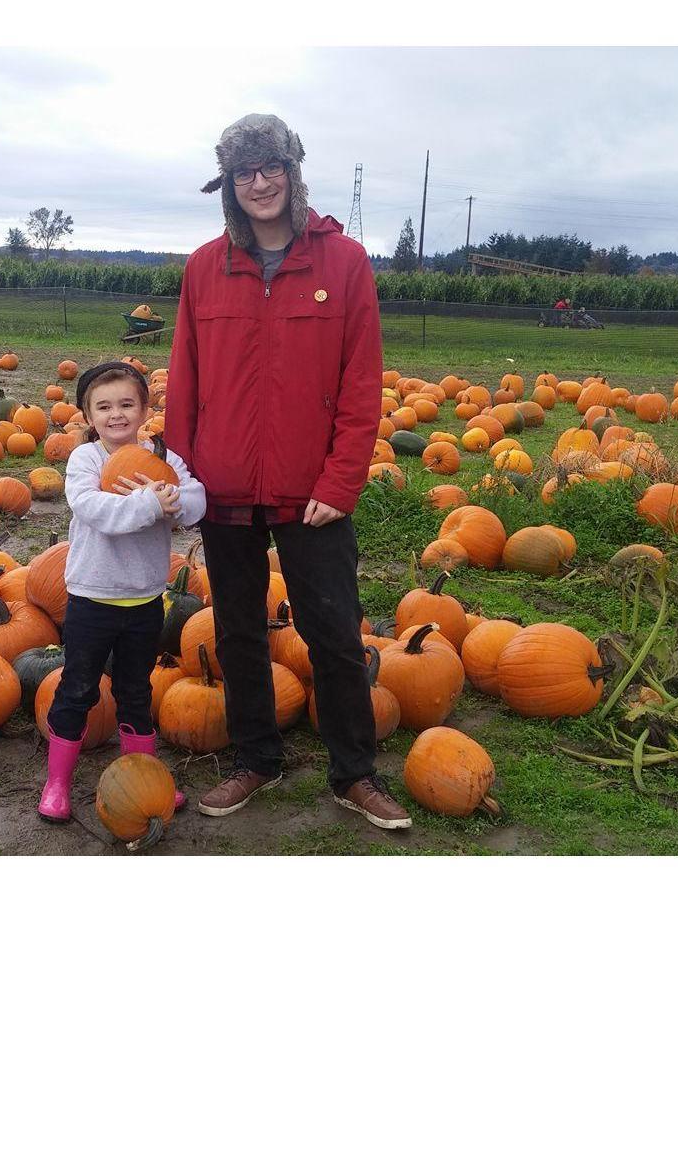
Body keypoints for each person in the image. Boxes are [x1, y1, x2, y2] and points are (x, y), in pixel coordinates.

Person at [163, 113, 412, 831]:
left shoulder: (344, 263)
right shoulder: (207, 267)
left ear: (293, 174)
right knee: (238, 631)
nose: (259, 184)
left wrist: (340, 485)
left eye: (270, 168)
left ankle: (354, 774)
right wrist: (180, 477)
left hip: (313, 496)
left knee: (332, 632)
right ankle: (256, 759)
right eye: (245, 174)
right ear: (229, 188)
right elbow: (186, 378)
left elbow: (362, 387)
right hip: (225, 487)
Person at [38, 361, 206, 823]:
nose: (117, 415)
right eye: (105, 406)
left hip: (145, 600)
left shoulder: (163, 459)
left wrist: (174, 500)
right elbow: (93, 509)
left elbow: (195, 498)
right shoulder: (85, 460)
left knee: (136, 691)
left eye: (127, 404)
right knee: (77, 689)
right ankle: (57, 782)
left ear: (144, 408)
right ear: (88, 415)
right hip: (92, 599)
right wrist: (149, 503)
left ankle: (144, 780)